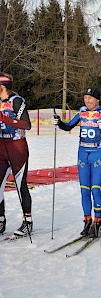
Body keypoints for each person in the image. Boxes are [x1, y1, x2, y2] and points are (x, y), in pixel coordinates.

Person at [52, 86, 101, 238]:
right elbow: (69, 125)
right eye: (86, 98)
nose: (87, 101)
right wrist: (59, 123)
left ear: (97, 99)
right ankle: (87, 220)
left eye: (90, 98)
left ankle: (97, 221)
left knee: (95, 189)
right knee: (84, 189)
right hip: (82, 153)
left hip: (97, 153)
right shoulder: (82, 111)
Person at [0, 73, 33, 236]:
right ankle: (0, 221)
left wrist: (5, 120)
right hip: (1, 148)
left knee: (21, 186)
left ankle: (27, 222)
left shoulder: (16, 100)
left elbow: (27, 124)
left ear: (2, 87)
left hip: (17, 148)